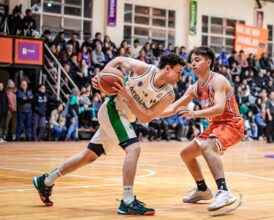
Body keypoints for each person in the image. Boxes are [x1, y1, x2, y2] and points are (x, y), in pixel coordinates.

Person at [32, 54, 185, 216]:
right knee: (134, 149)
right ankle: (127, 201)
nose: (181, 77)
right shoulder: (144, 69)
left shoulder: (169, 94)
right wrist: (100, 76)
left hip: (125, 118)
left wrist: (129, 97)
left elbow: (146, 117)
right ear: (167, 69)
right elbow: (119, 60)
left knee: (88, 156)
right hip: (113, 109)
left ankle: (46, 180)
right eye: (179, 72)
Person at [159, 46, 245, 211]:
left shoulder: (217, 80)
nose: (193, 64)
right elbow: (172, 108)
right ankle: (203, 190)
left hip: (231, 124)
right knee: (186, 154)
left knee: (207, 146)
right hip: (216, 126)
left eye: (197, 60)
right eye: (192, 61)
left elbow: (219, 108)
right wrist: (147, 116)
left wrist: (194, 113)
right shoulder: (195, 87)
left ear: (208, 62)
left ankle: (224, 191)